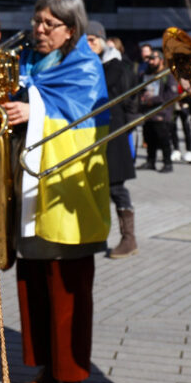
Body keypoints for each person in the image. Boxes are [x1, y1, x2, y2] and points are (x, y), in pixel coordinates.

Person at [2, 0, 110, 383]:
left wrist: (34, 112)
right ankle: (47, 368)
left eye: (50, 23)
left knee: (68, 290)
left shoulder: (85, 66)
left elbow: (83, 125)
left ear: (72, 29)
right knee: (34, 287)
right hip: (29, 190)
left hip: (68, 196)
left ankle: (70, 377)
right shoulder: (28, 61)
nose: (39, 29)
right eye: (37, 20)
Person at [85, 21, 138, 258]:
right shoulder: (90, 63)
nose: (88, 45)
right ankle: (97, 236)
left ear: (103, 41)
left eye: (92, 40)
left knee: (116, 186)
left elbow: (97, 87)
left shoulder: (113, 64)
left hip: (112, 132)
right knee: (97, 185)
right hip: (94, 132)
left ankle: (129, 239)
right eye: (84, 40)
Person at [138, 50, 177, 173]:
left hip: (161, 112)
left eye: (153, 58)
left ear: (161, 60)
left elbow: (170, 95)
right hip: (148, 112)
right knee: (149, 139)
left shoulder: (167, 74)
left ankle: (167, 163)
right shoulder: (147, 74)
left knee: (164, 139)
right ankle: (151, 161)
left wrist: (153, 99)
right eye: (149, 59)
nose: (150, 61)